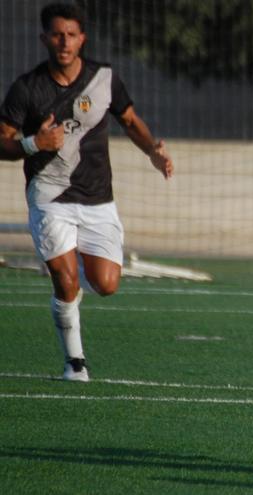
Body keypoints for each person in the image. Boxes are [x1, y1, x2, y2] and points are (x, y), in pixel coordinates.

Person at [0, 3, 173, 382]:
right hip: (49, 197)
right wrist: (33, 143)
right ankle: (74, 362)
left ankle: (70, 264)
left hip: (98, 198)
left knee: (107, 285)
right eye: (57, 34)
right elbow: (2, 142)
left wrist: (153, 150)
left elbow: (129, 120)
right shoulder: (26, 88)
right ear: (45, 38)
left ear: (83, 39)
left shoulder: (104, 79)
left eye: (71, 34)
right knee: (65, 282)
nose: (64, 42)